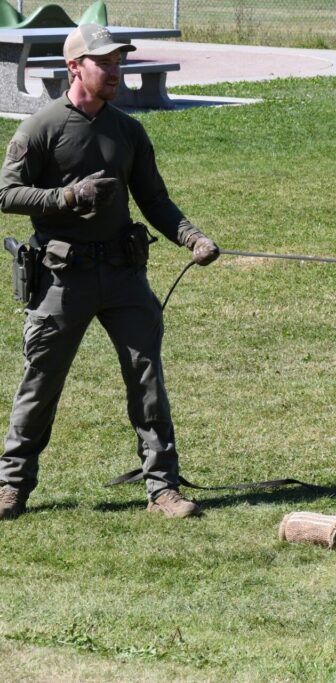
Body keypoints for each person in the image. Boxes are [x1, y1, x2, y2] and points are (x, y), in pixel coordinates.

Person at [0, 24, 219, 520]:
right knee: (41, 382)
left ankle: (163, 488)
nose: (116, 71)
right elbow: (5, 193)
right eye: (106, 63)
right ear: (75, 67)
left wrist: (191, 236)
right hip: (62, 279)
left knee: (147, 381)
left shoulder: (128, 131)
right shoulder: (42, 128)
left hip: (123, 277)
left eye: (119, 61)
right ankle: (11, 485)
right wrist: (64, 197)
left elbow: (154, 199)